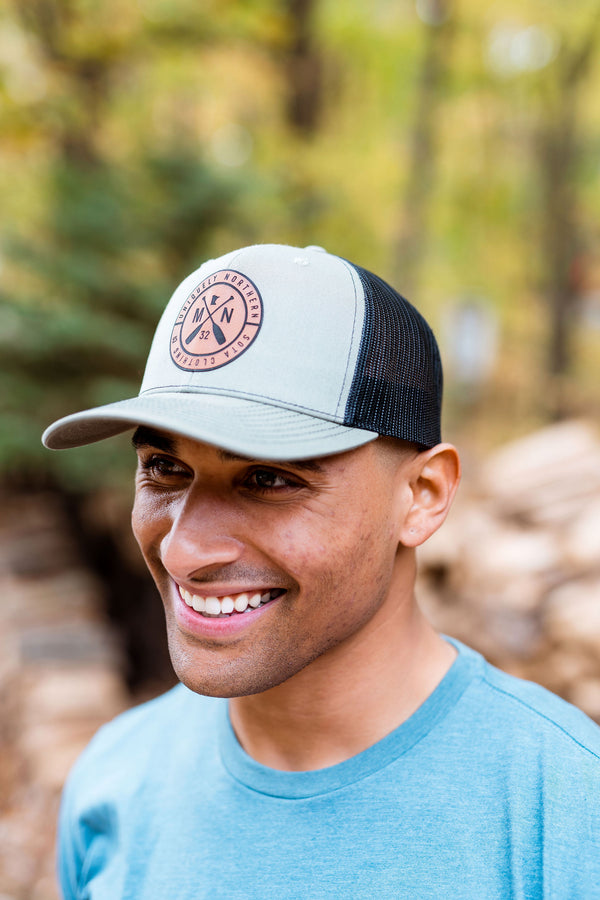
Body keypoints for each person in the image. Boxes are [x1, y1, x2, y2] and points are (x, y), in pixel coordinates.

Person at [43, 243, 600, 900]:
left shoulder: (565, 810)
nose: (184, 551)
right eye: (165, 469)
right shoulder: (113, 783)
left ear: (422, 496)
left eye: (267, 479)